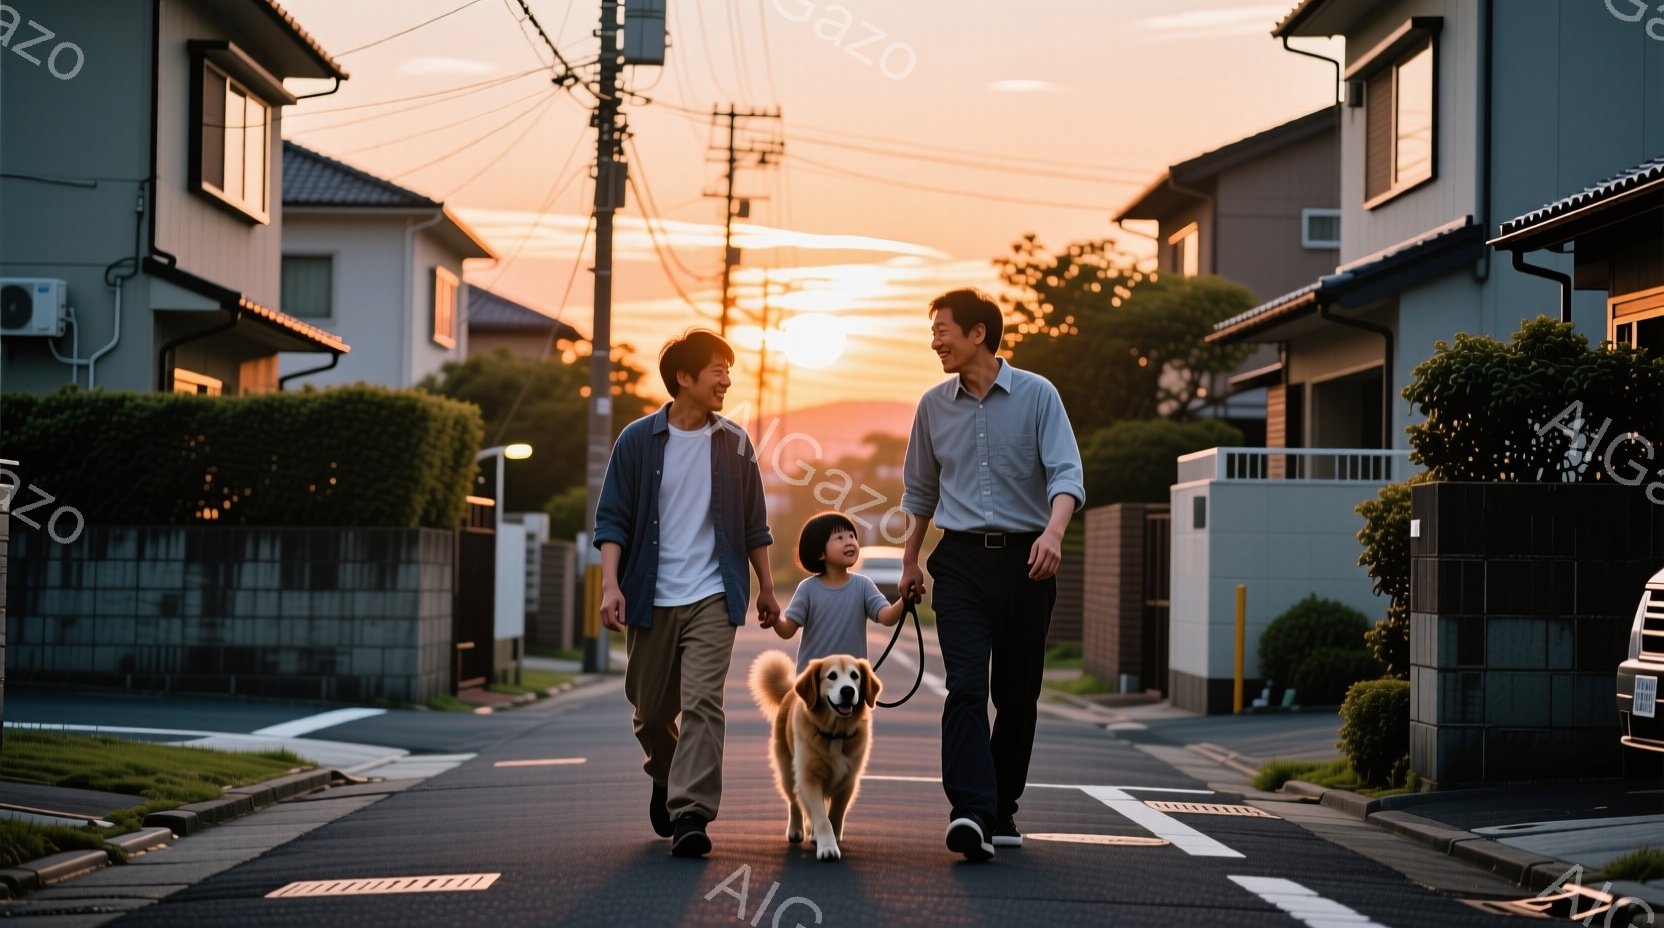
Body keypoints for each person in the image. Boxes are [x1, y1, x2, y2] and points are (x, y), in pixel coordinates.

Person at [896, 288, 1085, 862]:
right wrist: (910, 560)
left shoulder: (1038, 395)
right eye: (933, 332)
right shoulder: (932, 405)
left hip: (1028, 560)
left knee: (1018, 695)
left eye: (943, 330)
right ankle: (970, 812)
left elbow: (1066, 473)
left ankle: (1002, 808)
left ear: (979, 333)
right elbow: (921, 492)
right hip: (960, 564)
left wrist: (1053, 533)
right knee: (968, 688)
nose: (936, 341)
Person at [594, 329, 781, 858]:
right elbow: (613, 520)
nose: (727, 379)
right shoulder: (636, 440)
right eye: (717, 369)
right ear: (684, 377)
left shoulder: (736, 442)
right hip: (650, 595)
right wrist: (611, 585)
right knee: (651, 713)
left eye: (728, 368)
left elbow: (754, 524)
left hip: (713, 593)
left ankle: (692, 814)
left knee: (702, 703)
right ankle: (667, 774)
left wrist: (766, 587)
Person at [764, 511, 907, 672]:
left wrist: (905, 600)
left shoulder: (863, 585)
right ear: (820, 553)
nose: (849, 542)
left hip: (853, 681)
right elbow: (787, 630)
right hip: (814, 683)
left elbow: (887, 618)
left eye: (852, 536)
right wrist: (775, 620)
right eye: (840, 538)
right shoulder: (807, 589)